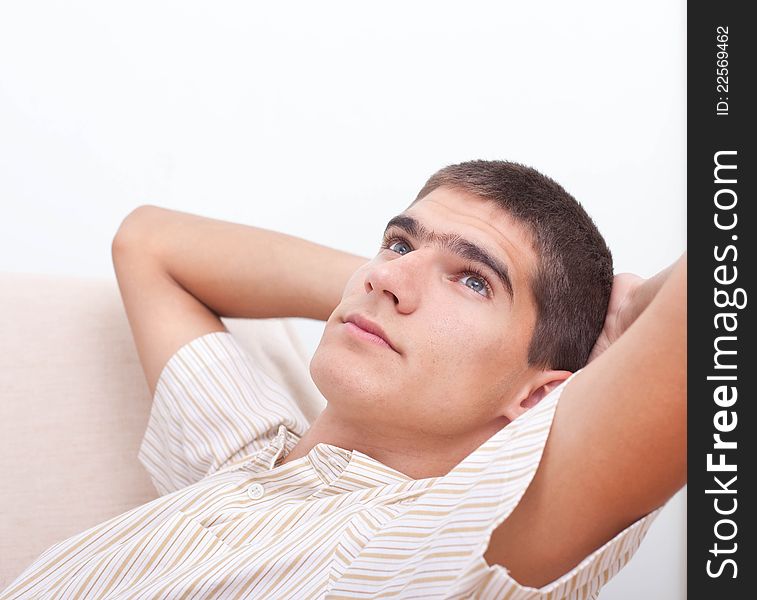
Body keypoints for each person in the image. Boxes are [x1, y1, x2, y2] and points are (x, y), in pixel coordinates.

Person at [1, 160, 686, 599]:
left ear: (535, 397)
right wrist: (386, 298)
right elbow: (149, 243)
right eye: (398, 242)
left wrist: (625, 314)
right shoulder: (240, 458)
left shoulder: (432, 547)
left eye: (474, 281)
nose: (386, 274)